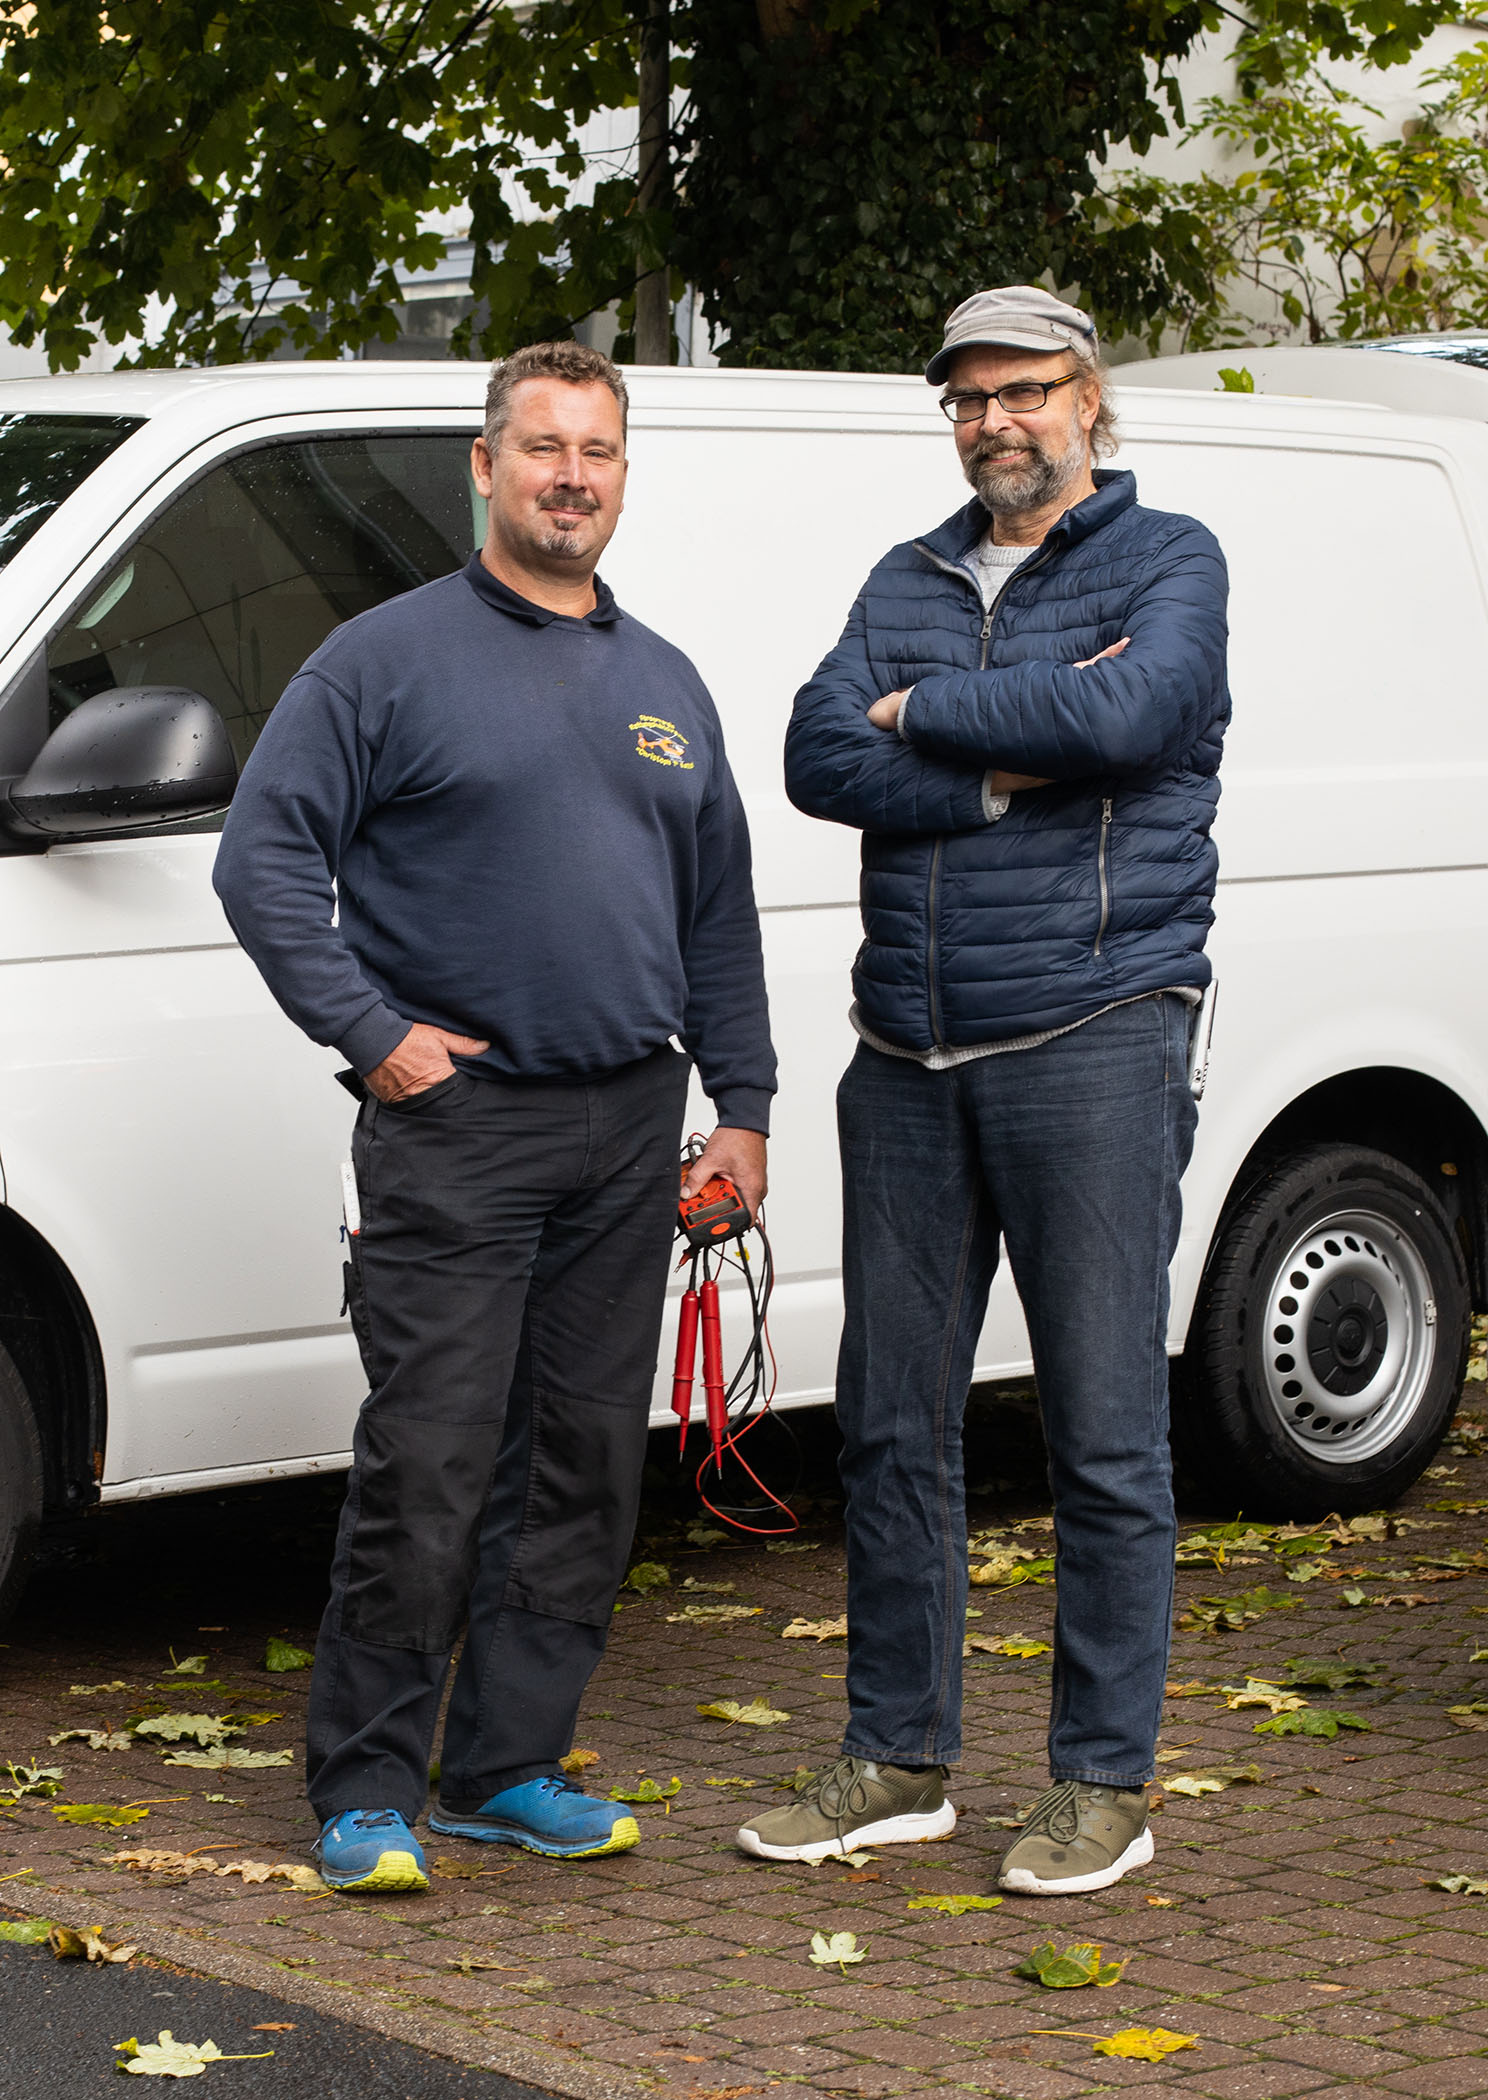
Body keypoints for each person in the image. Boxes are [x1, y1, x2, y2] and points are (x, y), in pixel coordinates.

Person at [214, 342, 775, 1893]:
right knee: (434, 1461)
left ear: (620, 474)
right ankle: (367, 1789)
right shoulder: (381, 662)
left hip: (627, 1127)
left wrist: (745, 1103)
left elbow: (716, 913)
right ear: (483, 465)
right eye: (543, 447)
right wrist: (377, 1037)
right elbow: (261, 864)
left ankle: (506, 1765)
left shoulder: (665, 682)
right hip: (460, 1133)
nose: (572, 476)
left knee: (586, 1464)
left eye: (598, 450)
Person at [742, 285, 1229, 1894]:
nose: (993, 421)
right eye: (967, 399)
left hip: (1092, 1029)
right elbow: (818, 755)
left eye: (1022, 391)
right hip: (907, 1053)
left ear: (1090, 399)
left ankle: (1105, 1784)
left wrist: (931, 713)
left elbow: (1132, 711)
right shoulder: (910, 572)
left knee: (1101, 1428)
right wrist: (1014, 758)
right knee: (889, 1427)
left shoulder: (1170, 564)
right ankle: (899, 1757)